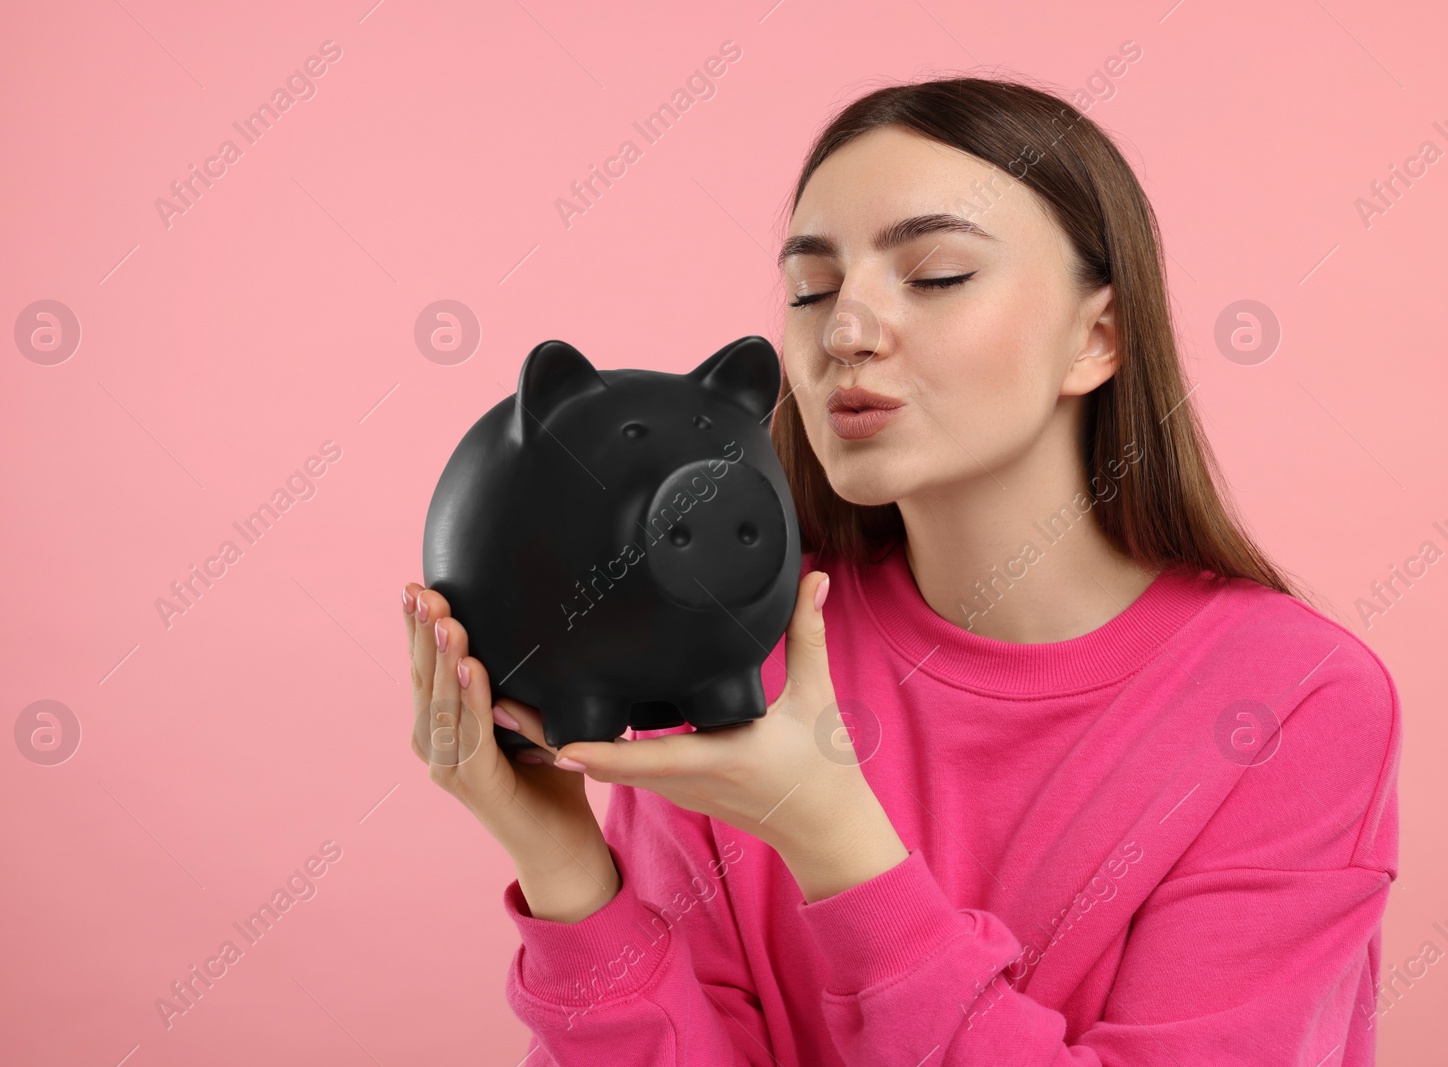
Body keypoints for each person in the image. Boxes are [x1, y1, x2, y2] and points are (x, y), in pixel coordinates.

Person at [402, 76, 1400, 1065]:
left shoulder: (1294, 703)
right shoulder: (734, 651)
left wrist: (834, 842)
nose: (844, 332)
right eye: (811, 289)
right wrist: (568, 867)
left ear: (1096, 336)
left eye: (932, 276)